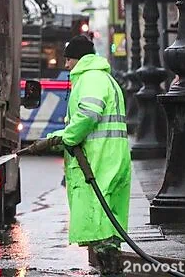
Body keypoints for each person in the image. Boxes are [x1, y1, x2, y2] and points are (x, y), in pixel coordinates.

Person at [25, 35, 131, 277]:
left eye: (69, 59)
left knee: (98, 214)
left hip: (99, 159)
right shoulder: (104, 78)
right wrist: (57, 137)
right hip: (110, 156)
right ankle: (111, 268)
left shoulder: (91, 79)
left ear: (79, 59)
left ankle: (111, 269)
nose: (66, 65)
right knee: (107, 216)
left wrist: (68, 138)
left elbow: (88, 115)